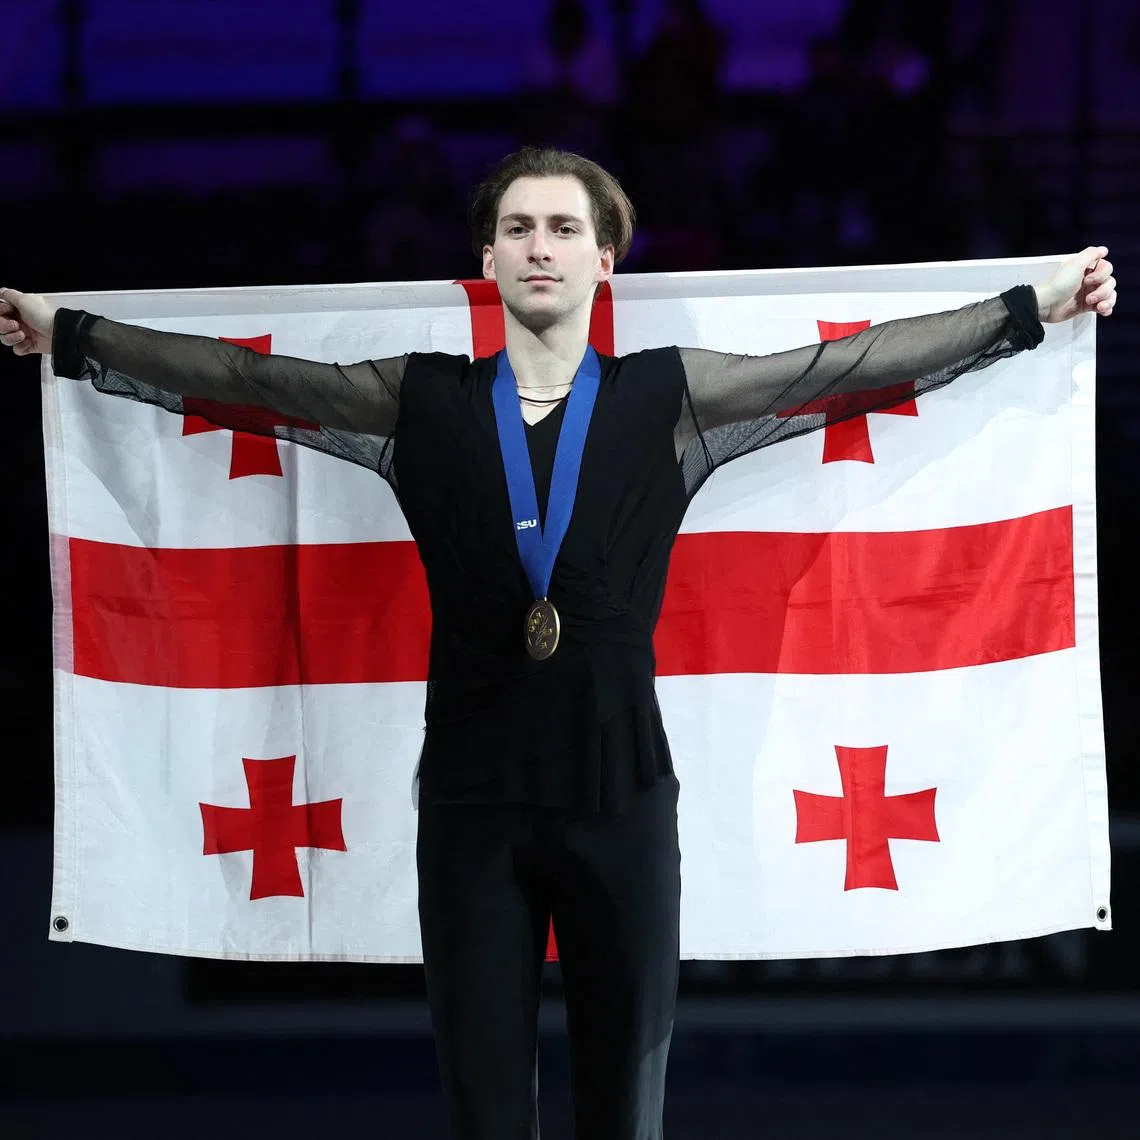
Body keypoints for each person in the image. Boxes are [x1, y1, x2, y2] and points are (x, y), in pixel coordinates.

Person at [0, 147, 1117, 1140]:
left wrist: (1035, 307)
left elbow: (861, 365)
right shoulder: (417, 401)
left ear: (606, 264)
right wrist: (74, 337)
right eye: (522, 228)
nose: (544, 246)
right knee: (484, 1105)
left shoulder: (671, 399)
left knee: (623, 1110)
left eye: (568, 228)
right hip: (472, 809)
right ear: (485, 259)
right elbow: (245, 384)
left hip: (621, 798)